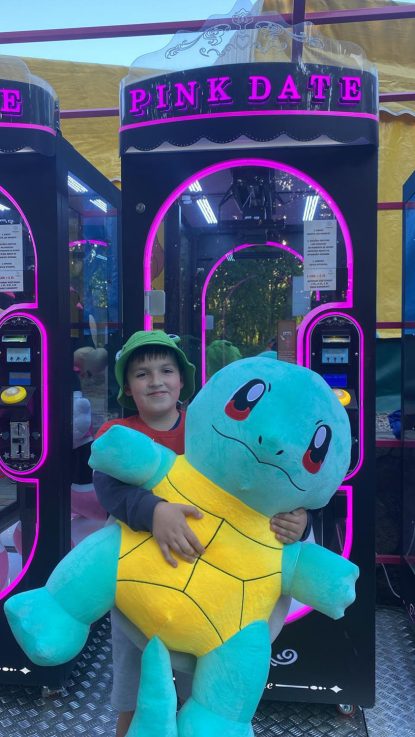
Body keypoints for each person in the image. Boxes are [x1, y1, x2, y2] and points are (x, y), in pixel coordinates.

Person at [93, 330, 309, 737]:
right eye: (141, 373)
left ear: (183, 380)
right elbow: (108, 487)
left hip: (209, 580)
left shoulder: (210, 428)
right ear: (127, 387)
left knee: (206, 691)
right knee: (134, 693)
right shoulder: (117, 434)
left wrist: (297, 518)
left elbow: (256, 481)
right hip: (137, 580)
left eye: (166, 370)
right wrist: (154, 511)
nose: (155, 381)